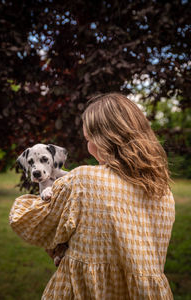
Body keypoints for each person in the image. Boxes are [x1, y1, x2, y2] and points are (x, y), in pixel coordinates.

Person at [9, 93, 175, 299]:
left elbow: (29, 223)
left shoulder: (84, 180)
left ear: (104, 140)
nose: (88, 146)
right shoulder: (163, 192)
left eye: (88, 139)